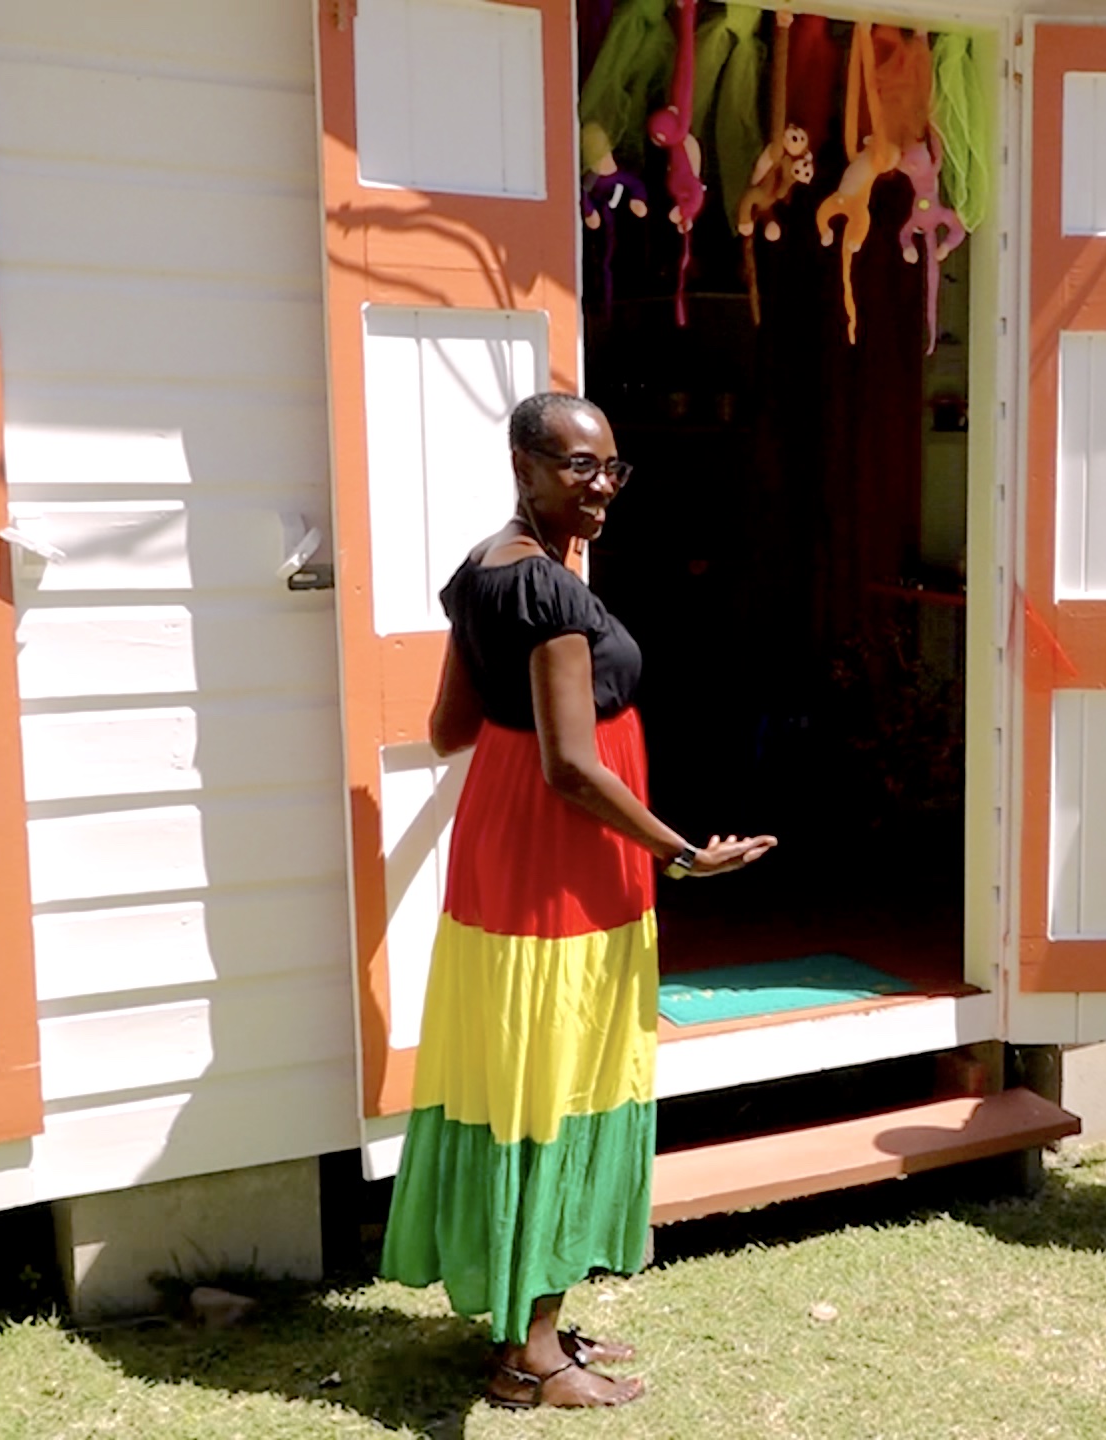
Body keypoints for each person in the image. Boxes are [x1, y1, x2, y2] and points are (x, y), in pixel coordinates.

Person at [380, 391, 776, 1408]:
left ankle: (531, 1320)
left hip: (506, 848)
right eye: (577, 467)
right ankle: (527, 1356)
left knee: (520, 1079)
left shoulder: (483, 575)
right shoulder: (548, 596)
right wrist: (680, 853)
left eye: (611, 468)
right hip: (563, 861)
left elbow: (447, 731)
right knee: (558, 1081)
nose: (600, 486)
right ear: (524, 464)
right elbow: (566, 765)